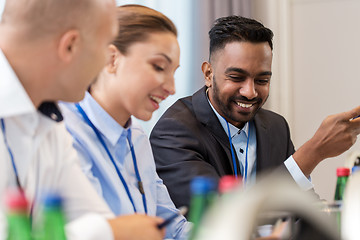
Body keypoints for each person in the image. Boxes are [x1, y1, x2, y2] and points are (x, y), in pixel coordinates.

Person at [149, 15, 360, 210]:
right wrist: (314, 151)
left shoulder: (276, 127)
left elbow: (302, 209)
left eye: (262, 80)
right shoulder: (173, 130)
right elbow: (222, 216)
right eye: (236, 77)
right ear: (208, 73)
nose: (250, 92)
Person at [0, 0, 166, 239]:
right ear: (70, 45)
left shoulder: (49, 118)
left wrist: (112, 229)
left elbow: (91, 214)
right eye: (105, 46)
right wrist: (111, 231)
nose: (105, 63)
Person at [59, 4, 190, 239]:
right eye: (159, 67)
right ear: (112, 59)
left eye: (173, 72)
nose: (171, 88)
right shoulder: (65, 133)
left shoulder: (137, 136)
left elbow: (171, 227)